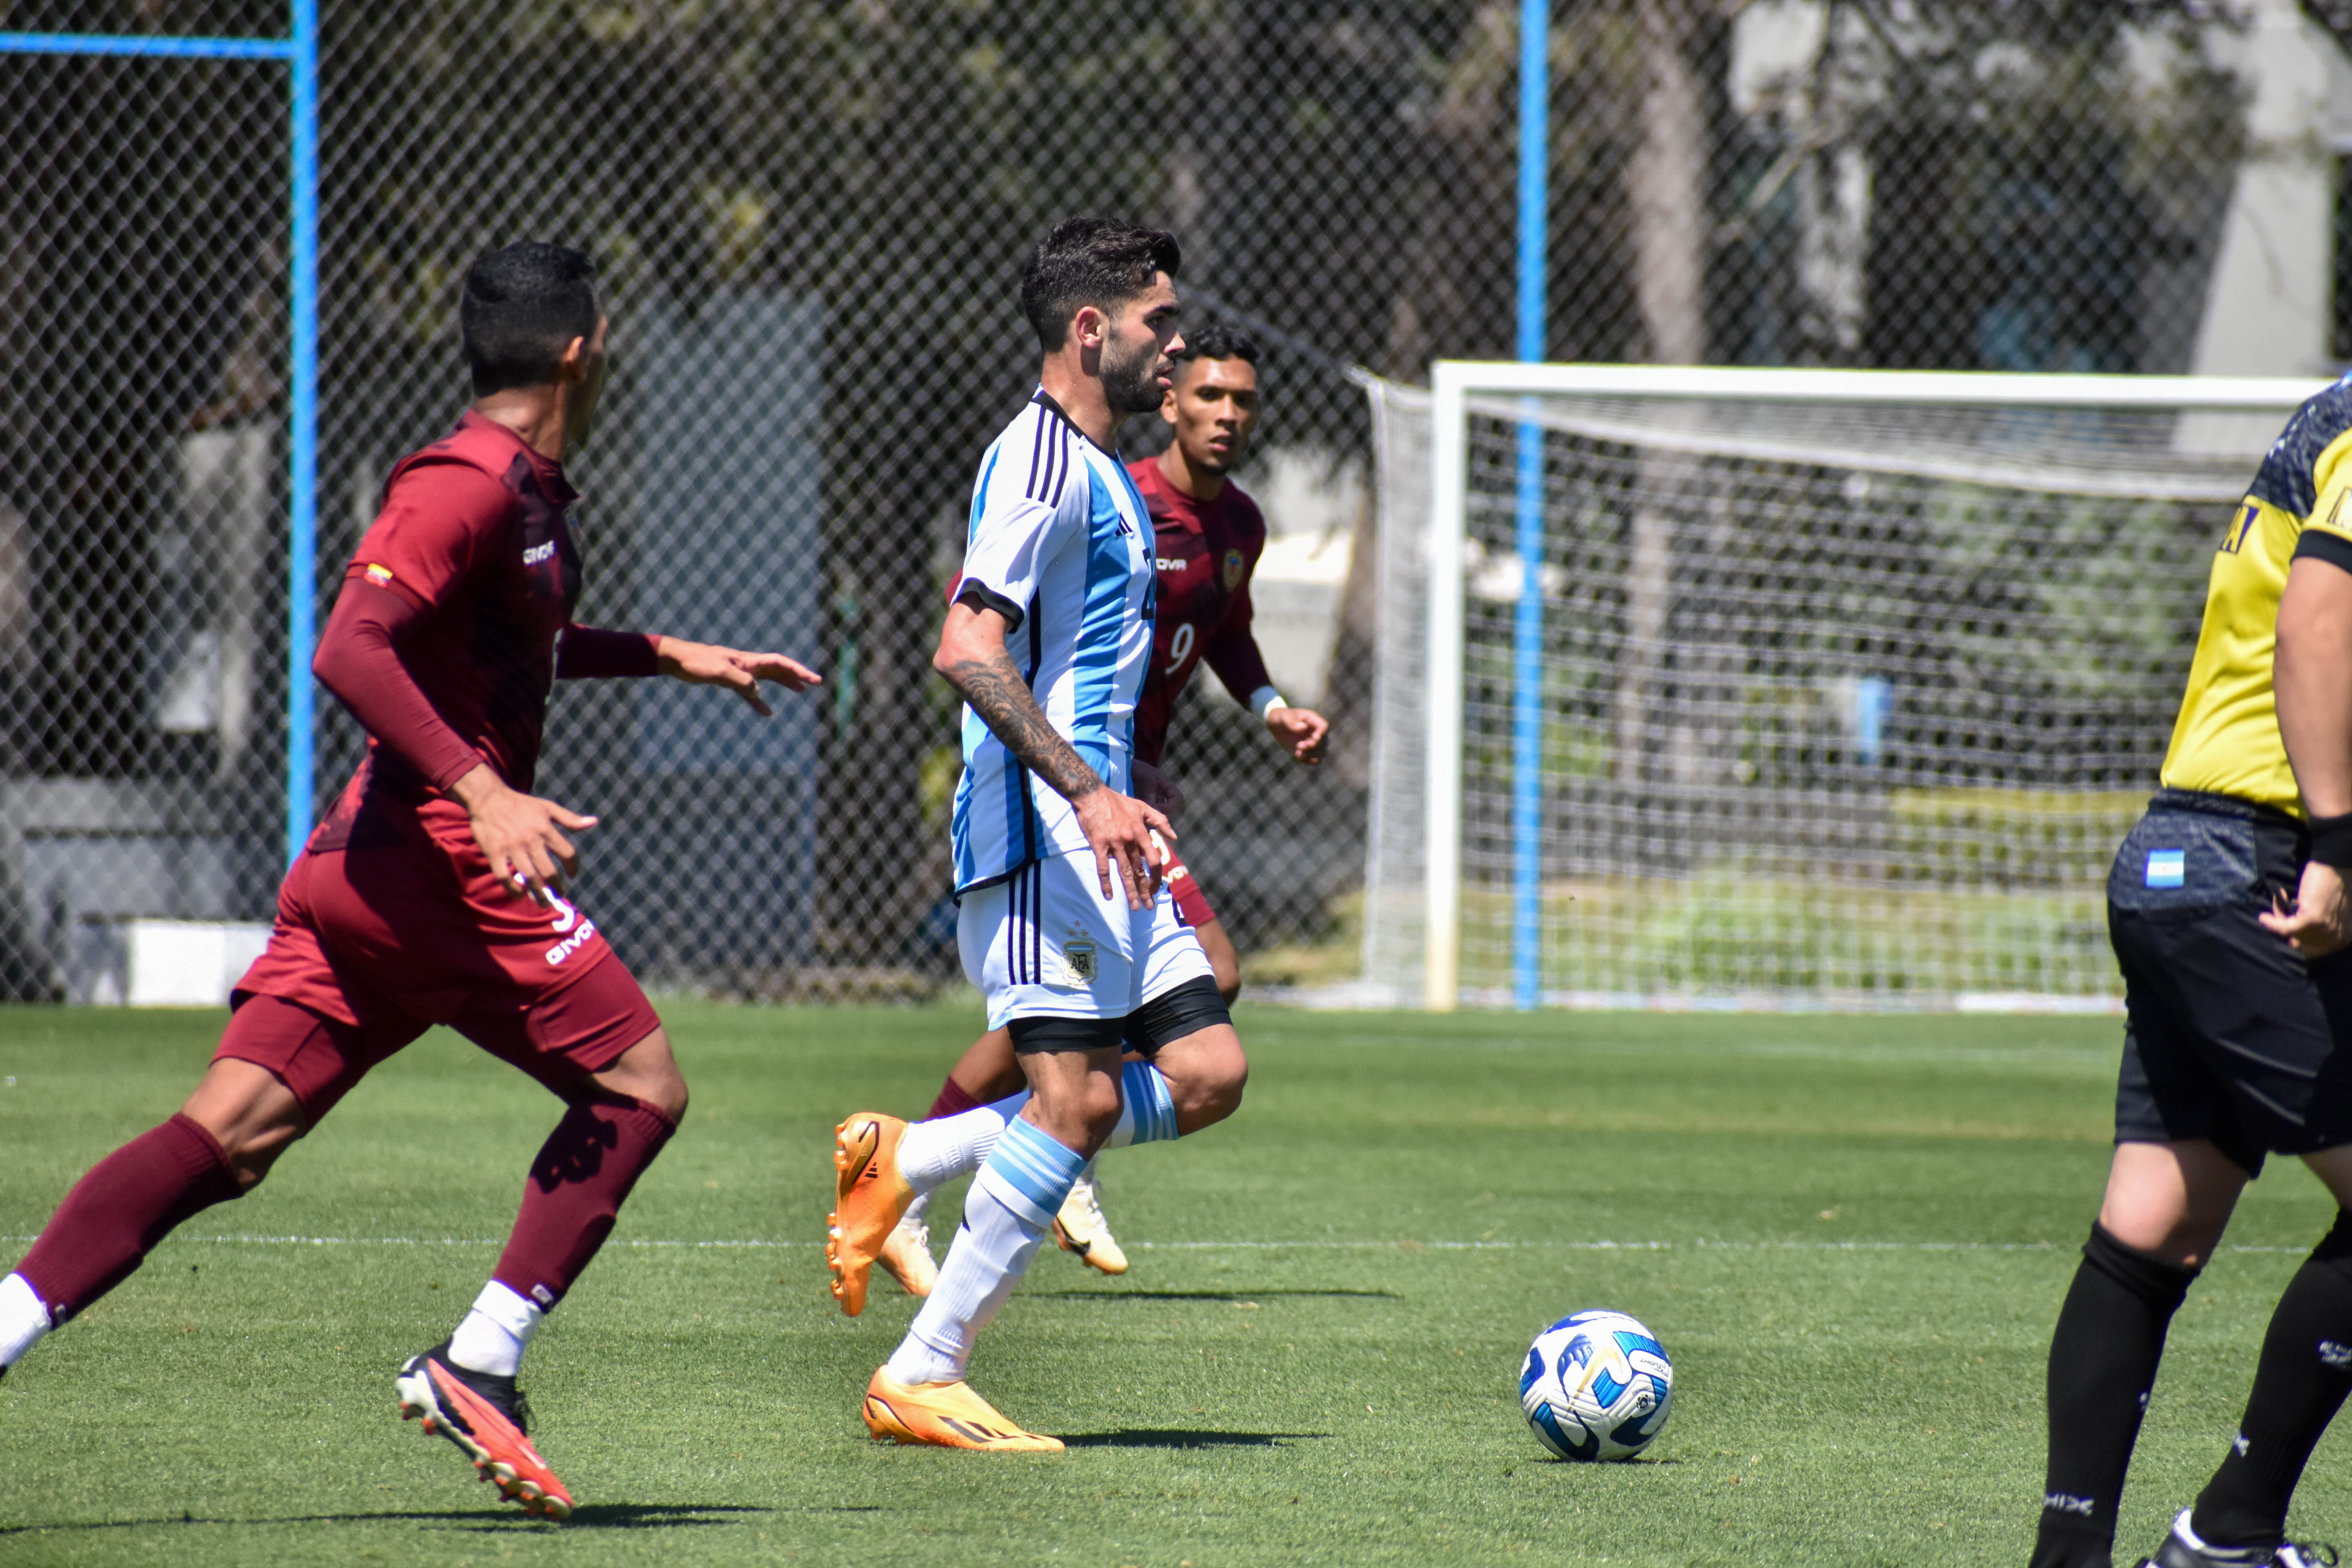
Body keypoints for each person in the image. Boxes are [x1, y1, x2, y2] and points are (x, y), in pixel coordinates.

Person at [0, 243, 818, 1520]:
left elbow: (506, 637)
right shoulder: (466, 482)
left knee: (232, 1134)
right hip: (438, 862)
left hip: (366, 875)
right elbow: (353, 644)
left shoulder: (532, 488)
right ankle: (479, 1360)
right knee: (640, 1081)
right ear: (580, 351)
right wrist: (484, 791)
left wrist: (670, 656)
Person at [824, 216, 1249, 1452]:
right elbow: (968, 648)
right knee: (1073, 1106)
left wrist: (1125, 796)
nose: (1173, 343)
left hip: (1111, 835)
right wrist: (1085, 789)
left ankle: (913, 1152)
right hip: (1040, 835)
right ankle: (925, 1368)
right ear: (1090, 330)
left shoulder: (1107, 464)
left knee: (1209, 1070)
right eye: (1158, 324)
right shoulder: (1042, 463)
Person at [879, 323, 1329, 1294]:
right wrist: (1092, 782)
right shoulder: (1108, 491)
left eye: (1243, 401)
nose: (1225, 414)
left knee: (1192, 1010)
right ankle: (993, 1159)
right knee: (1100, 1025)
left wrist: (1270, 707)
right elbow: (979, 640)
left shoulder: (1239, 526)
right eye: (1207, 394)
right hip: (1072, 802)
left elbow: (1228, 634)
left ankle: (979, 1152)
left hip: (1128, 793)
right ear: (1169, 402)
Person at [2029, 381, 2352, 1568]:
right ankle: (2230, 1531)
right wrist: (2335, 842)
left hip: (2184, 859)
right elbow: (2320, 621)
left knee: (2156, 1223)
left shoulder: (2333, 412)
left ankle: (2071, 1560)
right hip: (2258, 865)